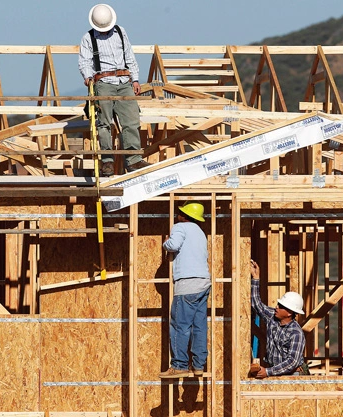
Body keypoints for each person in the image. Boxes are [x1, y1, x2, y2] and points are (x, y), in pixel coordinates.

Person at [78, 4, 151, 176]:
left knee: (131, 121)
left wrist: (135, 79)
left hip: (124, 81)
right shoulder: (88, 38)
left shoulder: (120, 32)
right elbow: (84, 61)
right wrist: (89, 78)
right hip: (103, 82)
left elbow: (129, 55)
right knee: (104, 123)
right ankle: (107, 161)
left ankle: (133, 160)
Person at [159, 202, 211, 378]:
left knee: (180, 325)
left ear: (185, 216)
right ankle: (198, 366)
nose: (177, 215)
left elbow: (173, 245)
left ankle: (179, 365)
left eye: (180, 212)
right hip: (203, 282)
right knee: (199, 326)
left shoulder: (180, 227)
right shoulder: (200, 233)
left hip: (187, 284)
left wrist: (166, 243)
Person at [249, 259, 306, 378]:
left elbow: (292, 362)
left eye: (280, 306)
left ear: (289, 312)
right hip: (274, 372)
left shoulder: (296, 333)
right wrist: (255, 279)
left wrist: (268, 372)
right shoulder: (272, 317)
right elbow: (256, 304)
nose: (276, 307)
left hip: (292, 375)